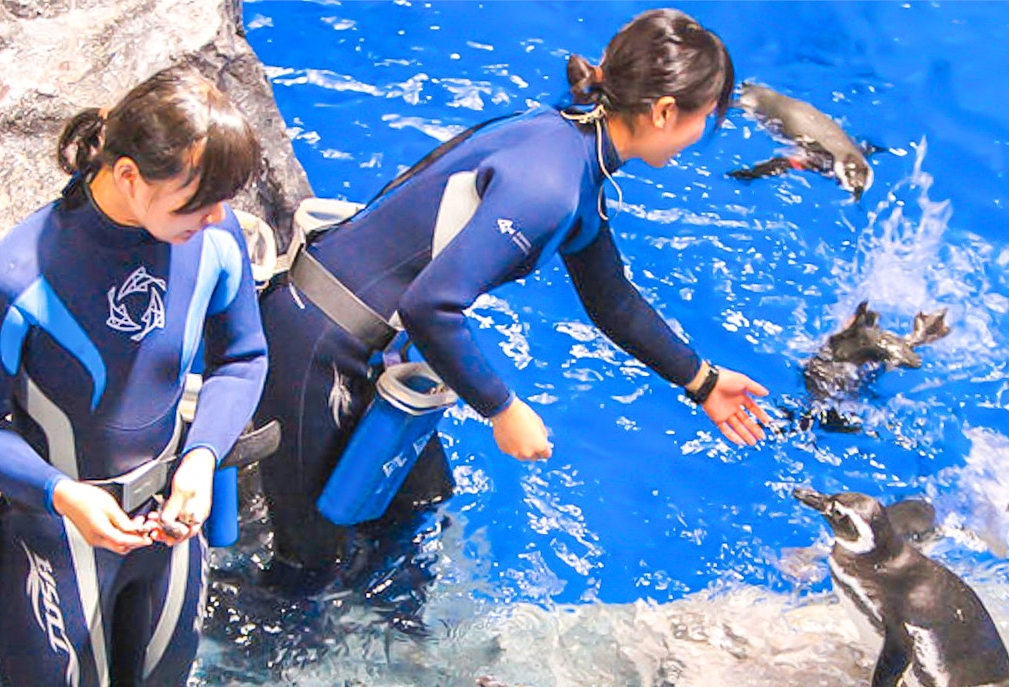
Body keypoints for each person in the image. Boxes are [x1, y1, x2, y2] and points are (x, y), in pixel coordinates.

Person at [255, 8, 774, 596]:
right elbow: (432, 306)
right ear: (663, 112)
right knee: (310, 569)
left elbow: (613, 301)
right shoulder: (550, 186)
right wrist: (502, 409)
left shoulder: (573, 141)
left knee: (416, 514)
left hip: (370, 347)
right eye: (708, 115)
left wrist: (702, 381)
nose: (706, 131)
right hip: (317, 345)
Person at [0, 66, 267, 686]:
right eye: (197, 201)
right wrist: (65, 495)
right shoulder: (13, 278)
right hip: (58, 538)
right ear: (128, 176)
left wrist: (200, 459)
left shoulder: (215, 237)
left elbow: (243, 358)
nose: (218, 216)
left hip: (171, 527)